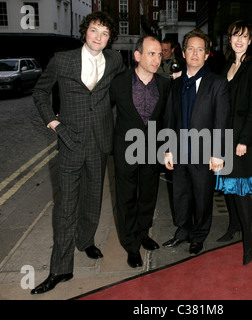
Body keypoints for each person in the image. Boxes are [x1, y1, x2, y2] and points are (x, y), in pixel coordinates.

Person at [31, 11, 126, 294]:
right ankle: (60, 269)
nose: (99, 37)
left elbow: (125, 88)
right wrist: (54, 123)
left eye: (105, 33)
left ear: (110, 39)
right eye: (95, 30)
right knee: (66, 208)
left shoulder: (115, 60)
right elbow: (40, 92)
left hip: (100, 141)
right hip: (70, 141)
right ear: (86, 31)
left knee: (93, 199)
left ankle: (85, 241)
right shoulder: (63, 59)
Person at [162, 29, 230, 255]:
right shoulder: (177, 83)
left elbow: (222, 120)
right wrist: (168, 150)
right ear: (182, 52)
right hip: (180, 150)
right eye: (190, 48)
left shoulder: (218, 83)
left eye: (200, 49)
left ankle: (199, 236)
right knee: (180, 195)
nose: (194, 53)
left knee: (202, 197)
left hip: (205, 152)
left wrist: (218, 153)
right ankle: (183, 231)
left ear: (207, 54)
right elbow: (170, 118)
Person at [109, 36, 170, 268]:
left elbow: (166, 120)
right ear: (137, 56)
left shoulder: (164, 85)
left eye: (159, 54)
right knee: (126, 199)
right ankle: (131, 245)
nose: (157, 59)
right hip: (126, 150)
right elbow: (104, 111)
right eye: (151, 54)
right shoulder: (119, 83)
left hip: (152, 151)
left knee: (148, 195)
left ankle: (143, 233)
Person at [215, 21, 252, 265]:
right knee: (227, 185)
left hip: (241, 139)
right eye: (235, 35)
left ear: (250, 41)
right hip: (224, 137)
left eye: (244, 36)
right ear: (230, 38)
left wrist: (244, 140)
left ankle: (249, 241)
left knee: (241, 190)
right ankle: (234, 225)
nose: (239, 40)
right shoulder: (227, 65)